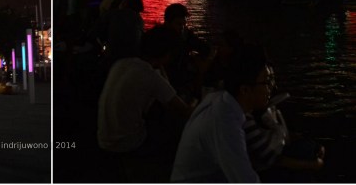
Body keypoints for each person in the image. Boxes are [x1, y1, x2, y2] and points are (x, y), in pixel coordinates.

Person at [97, 27, 194, 180]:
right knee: (179, 126)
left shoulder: (122, 63)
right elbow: (184, 110)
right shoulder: (150, 75)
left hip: (103, 138)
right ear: (167, 54)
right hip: (127, 143)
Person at [170, 45, 271, 183]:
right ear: (245, 90)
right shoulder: (225, 121)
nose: (270, 88)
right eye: (266, 82)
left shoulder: (220, 100)